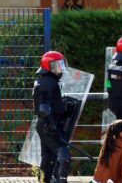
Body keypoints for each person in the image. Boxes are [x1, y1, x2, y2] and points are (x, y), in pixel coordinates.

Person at [33, 51, 71, 183]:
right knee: (63, 154)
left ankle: (44, 181)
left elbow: (48, 104)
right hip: (48, 124)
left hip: (45, 123)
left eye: (60, 64)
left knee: (48, 156)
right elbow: (43, 107)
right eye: (56, 65)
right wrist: (52, 124)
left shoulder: (45, 81)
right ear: (47, 66)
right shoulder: (48, 82)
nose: (59, 68)